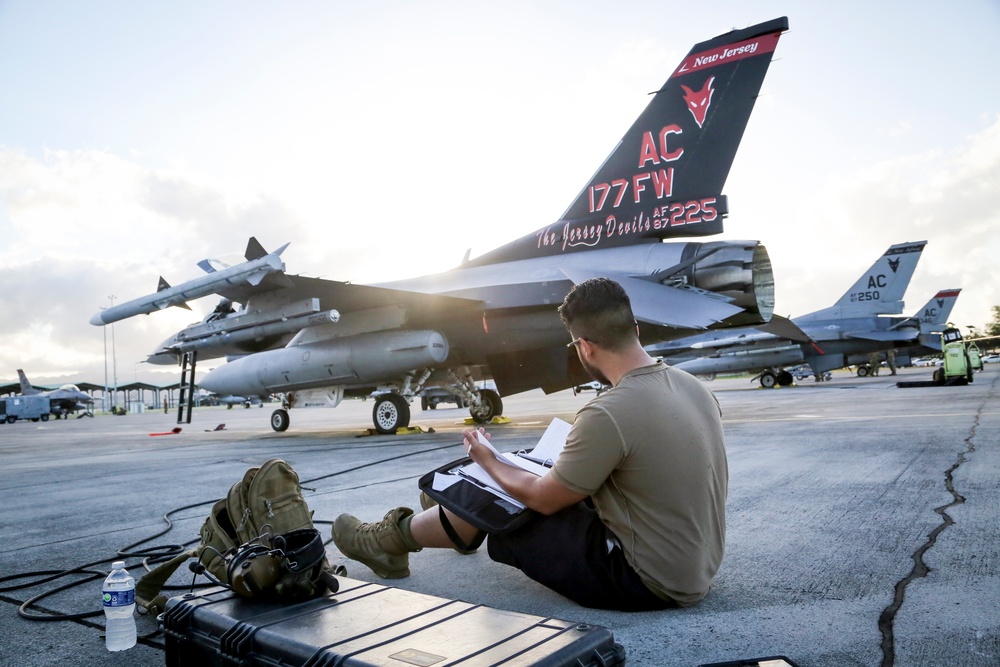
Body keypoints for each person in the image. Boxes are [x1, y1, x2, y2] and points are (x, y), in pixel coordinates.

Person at [331, 278, 728, 610]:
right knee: (518, 477)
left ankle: (389, 541)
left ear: (585, 347)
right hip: (695, 567)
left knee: (503, 497)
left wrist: (487, 459)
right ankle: (451, 517)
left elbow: (544, 500)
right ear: (635, 329)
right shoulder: (693, 387)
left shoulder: (608, 412)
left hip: (643, 580)